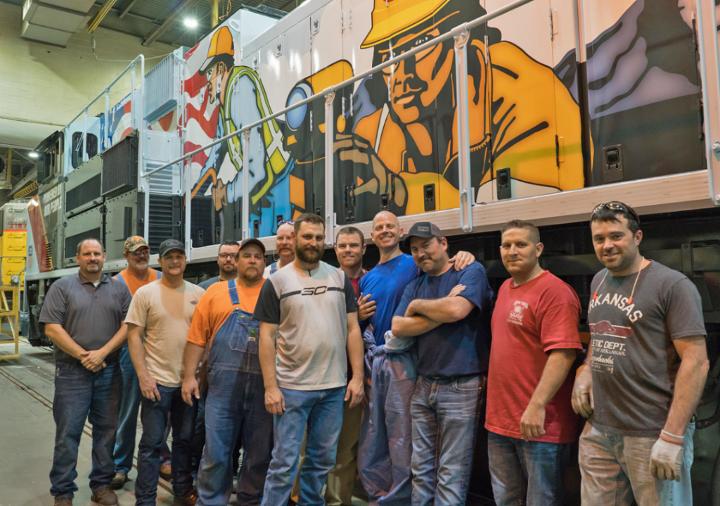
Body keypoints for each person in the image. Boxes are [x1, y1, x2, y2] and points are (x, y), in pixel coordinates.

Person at [350, 0, 583, 213]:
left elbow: (531, 201)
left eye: (420, 45)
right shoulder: (378, 132)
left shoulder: (521, 87)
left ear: (461, 39)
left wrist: (402, 192)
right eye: (390, 57)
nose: (402, 74)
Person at [572, 201, 709, 505]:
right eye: (599, 238)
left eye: (616, 236)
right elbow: (602, 332)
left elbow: (696, 361)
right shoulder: (599, 280)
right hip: (600, 428)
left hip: (652, 431)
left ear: (637, 237)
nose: (607, 245)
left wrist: (673, 436)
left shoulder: (672, 285)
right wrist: (585, 371)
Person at [357, 211, 473, 505]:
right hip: (377, 361)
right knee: (375, 435)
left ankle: (400, 498)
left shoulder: (414, 265)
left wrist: (464, 257)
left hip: (407, 361)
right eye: (378, 227)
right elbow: (384, 323)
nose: (384, 231)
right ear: (372, 236)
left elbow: (441, 267)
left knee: (403, 438)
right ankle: (379, 496)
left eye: (389, 226)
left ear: (400, 231)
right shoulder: (369, 277)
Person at [254, 213, 365, 505]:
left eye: (318, 237)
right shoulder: (277, 281)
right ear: (295, 239)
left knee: (320, 464)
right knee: (283, 465)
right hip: (292, 388)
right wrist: (270, 387)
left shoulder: (338, 277)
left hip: (332, 389)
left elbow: (352, 329)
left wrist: (357, 377)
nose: (313, 242)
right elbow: (266, 338)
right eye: (307, 237)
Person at [391, 221, 493, 505]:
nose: (420, 253)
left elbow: (458, 309)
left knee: (452, 472)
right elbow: (398, 327)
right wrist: (442, 307)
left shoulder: (470, 271)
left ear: (444, 243)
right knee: (421, 470)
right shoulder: (415, 284)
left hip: (462, 386)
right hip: (424, 385)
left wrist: (418, 307)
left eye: (426, 245)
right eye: (414, 249)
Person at [485, 220, 582, 505]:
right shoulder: (505, 287)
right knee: (508, 499)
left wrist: (536, 405)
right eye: (506, 245)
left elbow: (563, 354)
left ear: (538, 249)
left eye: (521, 244)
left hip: (539, 425)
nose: (512, 251)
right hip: (500, 421)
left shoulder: (555, 292)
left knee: (542, 500)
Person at [40, 238, 131, 506]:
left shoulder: (118, 290)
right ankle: (63, 492)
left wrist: (101, 354)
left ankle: (101, 486)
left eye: (97, 253)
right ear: (77, 258)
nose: (93, 258)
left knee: (106, 432)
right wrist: (83, 355)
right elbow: (52, 328)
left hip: (109, 370)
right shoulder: (62, 287)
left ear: (105, 257)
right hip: (72, 372)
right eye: (87, 254)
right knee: (68, 433)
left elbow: (129, 325)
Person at [182, 238, 272, 505]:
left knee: (258, 454)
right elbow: (197, 339)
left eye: (258, 256)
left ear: (264, 262)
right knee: (217, 452)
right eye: (247, 256)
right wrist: (188, 377)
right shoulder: (216, 293)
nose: (252, 260)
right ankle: (210, 500)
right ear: (238, 261)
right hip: (222, 389)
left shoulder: (274, 292)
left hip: (263, 389)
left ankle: (250, 499)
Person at [126, 239, 205, 505]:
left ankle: (182, 492)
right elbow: (134, 336)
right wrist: (143, 376)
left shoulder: (198, 294)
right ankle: (145, 499)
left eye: (179, 256)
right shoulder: (146, 294)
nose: (174, 262)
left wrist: (195, 376)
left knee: (184, 442)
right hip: (157, 383)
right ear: (160, 261)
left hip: (187, 384)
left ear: (185, 260)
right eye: (169, 257)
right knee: (151, 445)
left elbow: (205, 337)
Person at [111, 236, 161, 490]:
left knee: (160, 411)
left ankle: (161, 459)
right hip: (128, 355)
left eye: (145, 251)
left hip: (158, 353)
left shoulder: (161, 278)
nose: (141, 256)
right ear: (126, 255)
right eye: (136, 252)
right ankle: (120, 466)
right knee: (128, 411)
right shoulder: (117, 284)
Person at [321, 226, 367, 506]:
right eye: (343, 245)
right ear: (335, 250)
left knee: (345, 451)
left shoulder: (372, 281)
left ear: (363, 248)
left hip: (353, 379)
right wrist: (354, 317)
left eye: (354, 245)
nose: (348, 250)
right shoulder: (325, 281)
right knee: (310, 449)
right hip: (320, 378)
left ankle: (338, 502)